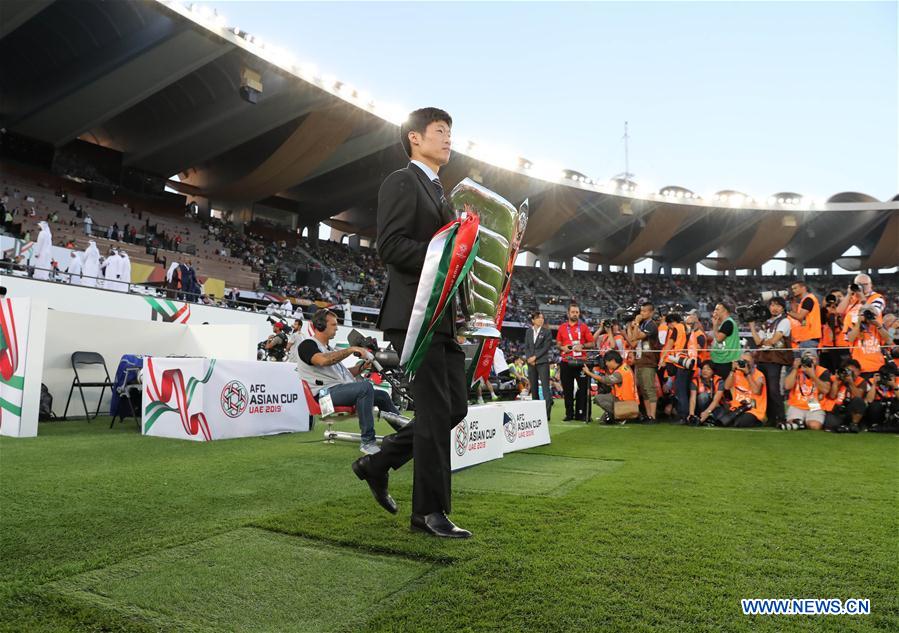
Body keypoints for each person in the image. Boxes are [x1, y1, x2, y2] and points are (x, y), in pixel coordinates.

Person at [351, 107, 471, 538]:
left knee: (454, 407)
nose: (448, 139)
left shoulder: (443, 194)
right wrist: (446, 256)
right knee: (438, 411)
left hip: (444, 319)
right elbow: (392, 246)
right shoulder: (403, 181)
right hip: (414, 317)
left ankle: (376, 463)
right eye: (440, 131)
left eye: (450, 133)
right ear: (414, 138)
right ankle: (429, 513)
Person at [297, 309, 406, 454]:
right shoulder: (307, 345)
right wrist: (350, 350)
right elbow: (323, 361)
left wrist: (362, 367)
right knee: (365, 387)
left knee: (382, 395)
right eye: (333, 324)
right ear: (320, 325)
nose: (337, 328)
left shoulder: (328, 348)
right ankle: (367, 442)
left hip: (337, 390)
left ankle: (408, 435)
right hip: (324, 397)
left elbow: (344, 373)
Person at [750, 296, 792, 426]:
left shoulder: (785, 321)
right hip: (763, 359)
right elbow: (758, 342)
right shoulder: (766, 322)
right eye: (772, 305)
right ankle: (771, 418)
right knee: (766, 390)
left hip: (776, 360)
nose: (774, 308)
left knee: (774, 389)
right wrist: (751, 326)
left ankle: (781, 417)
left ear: (783, 308)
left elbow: (773, 340)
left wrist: (764, 342)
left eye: (777, 305)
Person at [556, 302, 595, 421]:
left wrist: (582, 346)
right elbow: (558, 344)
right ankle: (569, 414)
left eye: (577, 312)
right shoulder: (562, 327)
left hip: (580, 362)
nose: (575, 314)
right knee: (567, 390)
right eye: (573, 312)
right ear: (568, 313)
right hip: (566, 362)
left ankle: (583, 414)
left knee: (583, 389)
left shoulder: (583, 327)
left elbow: (592, 343)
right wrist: (562, 348)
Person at [625, 302, 660, 421]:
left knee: (649, 389)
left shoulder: (651, 325)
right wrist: (632, 327)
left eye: (645, 311)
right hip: (640, 361)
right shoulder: (644, 324)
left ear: (651, 312)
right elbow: (633, 341)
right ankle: (648, 415)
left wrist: (636, 324)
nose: (642, 313)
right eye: (641, 311)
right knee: (644, 390)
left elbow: (636, 337)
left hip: (649, 361)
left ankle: (653, 416)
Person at [583, 350, 638, 424]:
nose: (605, 364)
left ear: (612, 361)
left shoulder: (620, 373)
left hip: (625, 401)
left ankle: (622, 416)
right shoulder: (624, 366)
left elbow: (606, 380)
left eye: (606, 362)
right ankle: (618, 415)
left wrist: (589, 373)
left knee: (598, 399)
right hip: (628, 398)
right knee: (603, 398)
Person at [780, 351, 831, 431]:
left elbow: (826, 390)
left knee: (815, 426)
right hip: (797, 404)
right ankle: (799, 422)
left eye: (812, 358)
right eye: (806, 358)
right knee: (794, 424)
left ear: (817, 360)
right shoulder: (796, 369)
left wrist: (813, 375)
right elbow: (787, 386)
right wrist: (795, 368)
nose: (809, 361)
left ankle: (802, 422)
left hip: (815, 405)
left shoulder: (823, 371)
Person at [716, 352, 767, 428]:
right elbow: (727, 387)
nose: (745, 363)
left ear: (753, 361)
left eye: (747, 362)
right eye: (743, 361)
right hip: (737, 407)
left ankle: (758, 422)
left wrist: (747, 373)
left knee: (741, 422)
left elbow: (756, 391)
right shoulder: (736, 373)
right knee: (721, 419)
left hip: (753, 409)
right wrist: (732, 370)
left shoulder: (759, 375)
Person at [658, 311, 690, 421]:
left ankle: (683, 416)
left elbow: (669, 345)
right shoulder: (686, 327)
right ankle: (684, 415)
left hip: (680, 361)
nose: (669, 327)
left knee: (680, 390)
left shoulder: (677, 328)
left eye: (668, 324)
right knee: (683, 390)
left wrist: (662, 358)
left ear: (672, 322)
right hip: (687, 361)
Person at [821, 359, 867, 432]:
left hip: (850, 409)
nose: (850, 373)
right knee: (830, 426)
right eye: (847, 371)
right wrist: (836, 381)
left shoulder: (861, 381)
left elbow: (859, 396)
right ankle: (843, 426)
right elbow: (832, 396)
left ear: (858, 371)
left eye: (853, 371)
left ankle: (854, 424)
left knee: (859, 401)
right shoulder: (834, 378)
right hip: (835, 408)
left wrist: (851, 383)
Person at [846, 307, 891, 377]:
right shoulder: (854, 327)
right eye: (866, 314)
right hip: (861, 369)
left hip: (879, 367)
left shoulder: (878, 327)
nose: (868, 317)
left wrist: (878, 325)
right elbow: (850, 338)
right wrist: (858, 322)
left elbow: (888, 340)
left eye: (870, 314)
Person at [524, 311, 553, 418]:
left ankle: (547, 415)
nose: (541, 319)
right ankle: (535, 414)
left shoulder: (547, 332)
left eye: (542, 318)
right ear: (533, 320)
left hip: (542, 362)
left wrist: (535, 357)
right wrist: (528, 359)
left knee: (545, 388)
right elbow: (526, 346)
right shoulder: (528, 332)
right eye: (538, 318)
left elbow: (546, 347)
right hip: (531, 363)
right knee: (534, 389)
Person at [787, 280, 821, 353]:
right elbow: (797, 315)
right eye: (792, 289)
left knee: (809, 363)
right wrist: (792, 301)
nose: (793, 291)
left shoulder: (808, 299)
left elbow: (799, 317)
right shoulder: (804, 300)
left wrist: (786, 311)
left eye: (795, 288)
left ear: (803, 288)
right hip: (805, 337)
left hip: (810, 337)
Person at [687, 361, 725, 426]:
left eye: (708, 369)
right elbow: (692, 399)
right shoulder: (695, 380)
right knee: (703, 396)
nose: (705, 371)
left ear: (713, 371)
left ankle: (707, 418)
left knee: (721, 418)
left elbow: (716, 401)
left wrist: (707, 412)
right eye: (703, 369)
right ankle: (703, 418)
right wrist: (691, 414)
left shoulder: (719, 381)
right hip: (700, 407)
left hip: (715, 406)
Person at [710, 302, 741, 380]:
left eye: (717, 309)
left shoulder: (728, 323)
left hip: (726, 361)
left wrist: (714, 325)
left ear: (725, 311)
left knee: (724, 387)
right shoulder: (723, 323)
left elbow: (719, 339)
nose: (715, 311)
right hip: (721, 360)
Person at [863, 364, 898, 431]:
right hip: (878, 408)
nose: (887, 378)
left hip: (894, 409)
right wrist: (874, 385)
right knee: (874, 406)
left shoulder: (898, 381)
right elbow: (869, 400)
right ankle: (874, 425)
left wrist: (894, 386)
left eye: (891, 376)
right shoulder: (872, 381)